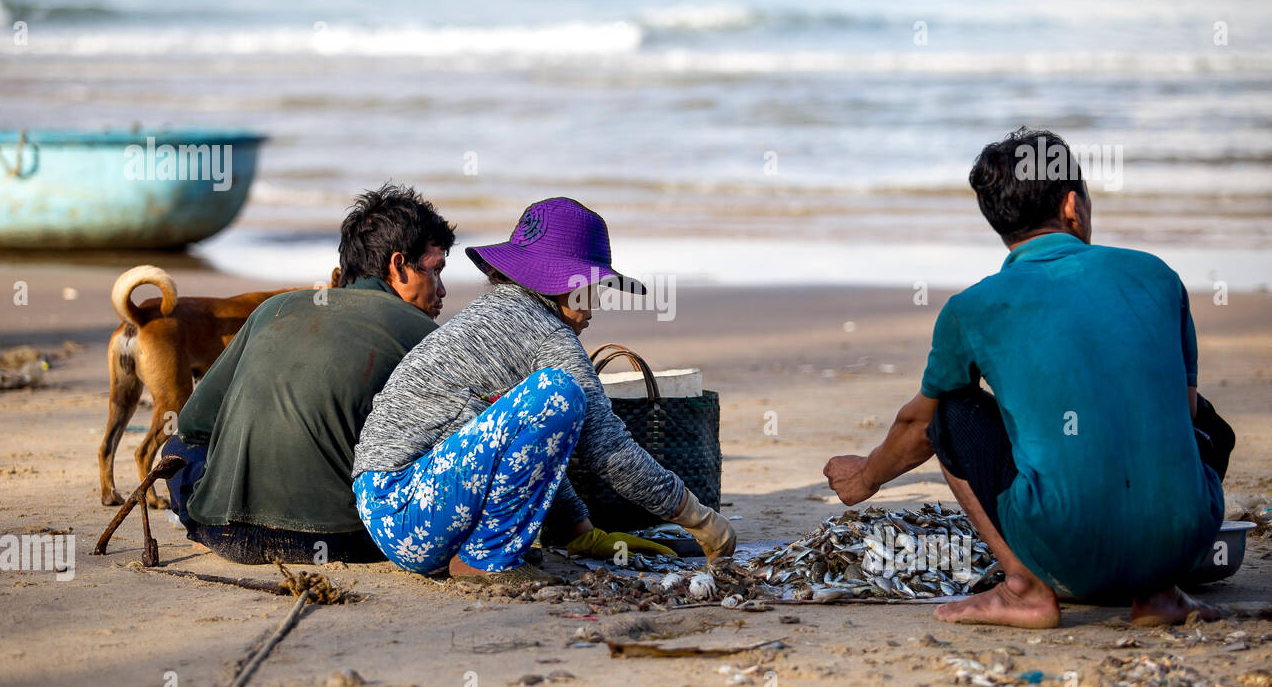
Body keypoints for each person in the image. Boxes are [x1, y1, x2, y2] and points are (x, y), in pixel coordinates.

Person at [823, 127, 1234, 628]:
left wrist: (865, 475)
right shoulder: (1156, 275)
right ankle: (1160, 594)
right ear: (1071, 206)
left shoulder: (972, 307)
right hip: (1185, 539)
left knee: (949, 411)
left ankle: (1024, 588)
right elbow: (1186, 414)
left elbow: (916, 428)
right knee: (1195, 415)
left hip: (1063, 538)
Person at [352, 197, 736, 582]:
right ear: (562, 281)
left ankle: (488, 548)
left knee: (547, 407)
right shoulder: (549, 336)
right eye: (591, 288)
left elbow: (530, 450)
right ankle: (486, 559)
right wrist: (700, 519)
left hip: (391, 508)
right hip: (405, 504)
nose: (594, 306)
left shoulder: (495, 312)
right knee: (561, 394)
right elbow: (610, 449)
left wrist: (580, 532)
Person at [164, 185, 455, 564]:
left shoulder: (277, 308)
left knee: (177, 450)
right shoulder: (423, 333)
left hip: (224, 532)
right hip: (345, 540)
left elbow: (192, 424)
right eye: (435, 271)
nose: (442, 290)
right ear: (398, 265)